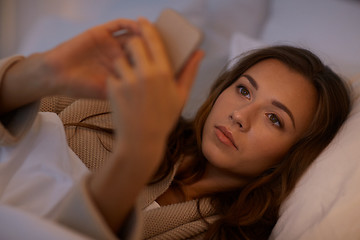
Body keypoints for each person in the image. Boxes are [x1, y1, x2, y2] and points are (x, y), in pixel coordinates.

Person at [0, 17, 350, 240]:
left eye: (275, 119)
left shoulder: (220, 234)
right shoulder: (115, 106)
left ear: (295, 154)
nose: (241, 116)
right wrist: (40, 74)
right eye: (243, 90)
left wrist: (138, 153)